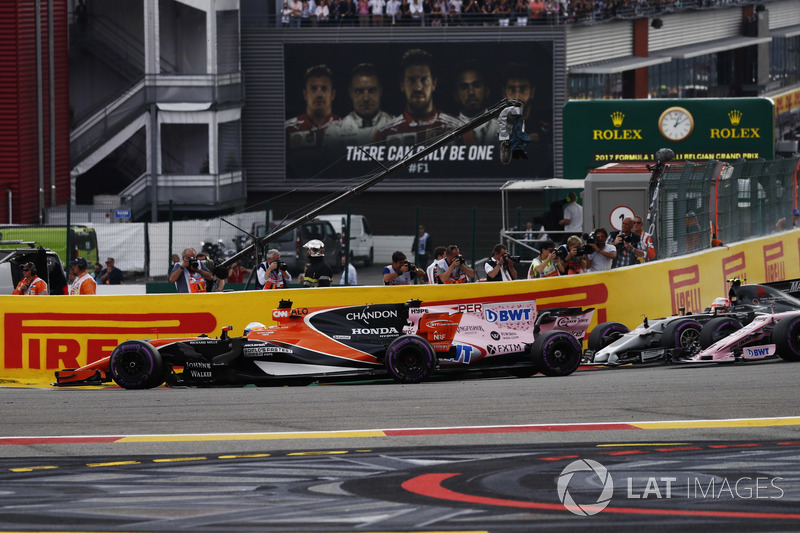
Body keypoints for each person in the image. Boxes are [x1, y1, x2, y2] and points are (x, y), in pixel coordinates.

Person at [375, 49, 469, 146]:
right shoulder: (384, 134)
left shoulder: (458, 129)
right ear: (402, 85)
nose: (418, 87)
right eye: (411, 80)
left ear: (434, 83)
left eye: (424, 80)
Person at [500, 62, 552, 176]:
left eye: (523, 89)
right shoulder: (494, 126)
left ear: (532, 92)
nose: (517, 97)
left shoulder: (547, 125)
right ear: (504, 93)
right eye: (512, 90)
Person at [325, 63, 393, 149]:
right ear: (350, 93)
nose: (366, 98)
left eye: (372, 91)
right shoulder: (336, 131)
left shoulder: (395, 127)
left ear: (380, 91)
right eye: (359, 91)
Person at [286, 65, 338, 152]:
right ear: (305, 94)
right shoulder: (287, 129)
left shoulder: (346, 128)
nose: (319, 95)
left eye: (324, 89)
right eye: (313, 89)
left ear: (332, 94)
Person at [453, 60, 497, 145]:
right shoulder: (445, 134)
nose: (471, 92)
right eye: (464, 87)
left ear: (487, 91)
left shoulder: (506, 130)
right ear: (456, 95)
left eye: (476, 85)